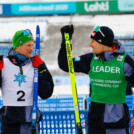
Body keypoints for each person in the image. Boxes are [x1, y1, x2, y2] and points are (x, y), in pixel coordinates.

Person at [58, 25, 134, 134]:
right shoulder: (91, 59)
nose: (90, 44)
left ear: (102, 42)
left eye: (93, 41)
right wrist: (66, 42)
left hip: (117, 120)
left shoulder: (124, 61)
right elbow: (65, 64)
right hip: (95, 119)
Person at [0, 29, 54, 134]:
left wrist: (42, 70)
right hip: (11, 123)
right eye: (28, 45)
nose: (31, 49)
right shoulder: (4, 63)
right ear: (18, 46)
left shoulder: (36, 63)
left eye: (32, 45)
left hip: (32, 122)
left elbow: (46, 93)